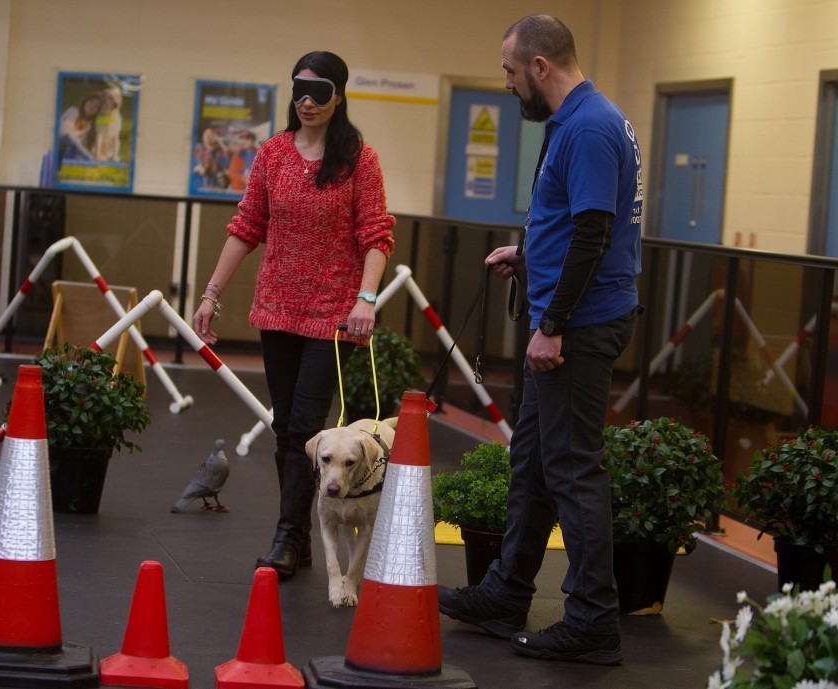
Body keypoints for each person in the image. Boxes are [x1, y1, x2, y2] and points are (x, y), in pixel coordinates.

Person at [438, 14, 643, 666]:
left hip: (577, 326)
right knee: (533, 459)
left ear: (539, 67)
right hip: (566, 314)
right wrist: (527, 256)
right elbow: (572, 223)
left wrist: (552, 325)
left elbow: (593, 233)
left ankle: (590, 620)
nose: (507, 84)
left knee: (574, 468)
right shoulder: (581, 121)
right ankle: (505, 593)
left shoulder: (588, 126)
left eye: (508, 71)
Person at [192, 50, 395, 579]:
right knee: (286, 429)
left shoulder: (359, 159)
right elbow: (246, 226)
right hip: (277, 308)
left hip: (333, 316)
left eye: (319, 92)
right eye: (298, 91)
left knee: (308, 423)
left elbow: (376, 235)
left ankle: (287, 536)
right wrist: (211, 294)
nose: (306, 102)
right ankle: (299, 538)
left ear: (339, 96)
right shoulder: (273, 154)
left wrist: (366, 299)